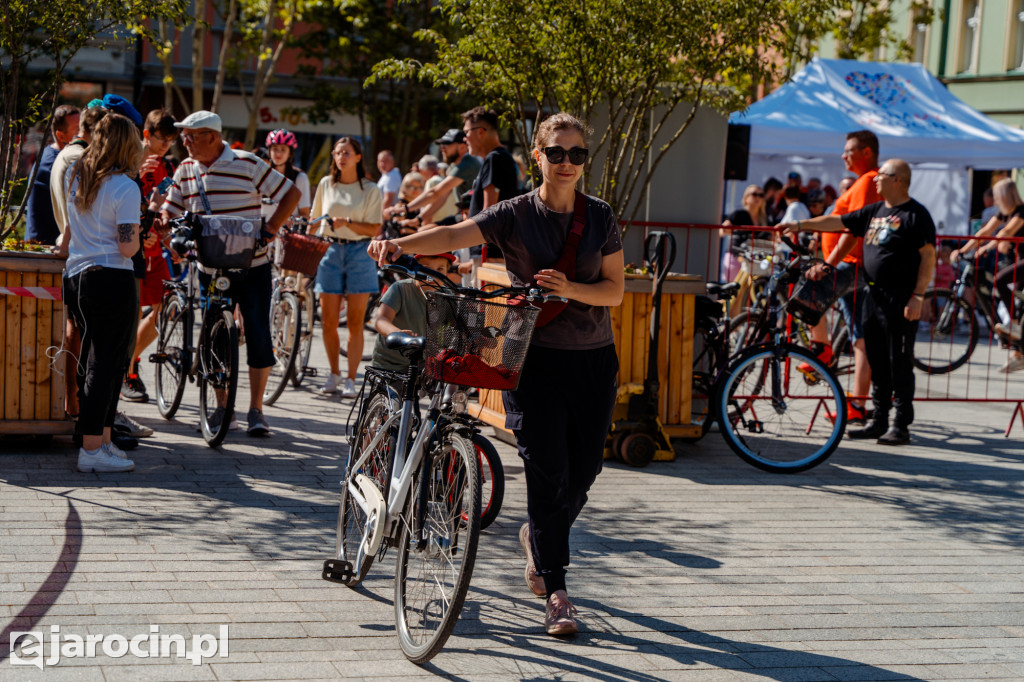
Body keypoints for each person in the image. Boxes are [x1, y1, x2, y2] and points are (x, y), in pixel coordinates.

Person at [369, 112, 624, 637]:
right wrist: (400, 244)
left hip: (594, 358)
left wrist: (571, 290)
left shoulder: (599, 216)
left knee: (586, 469)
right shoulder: (514, 213)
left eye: (577, 154)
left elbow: (615, 290)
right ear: (538, 156)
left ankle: (538, 537)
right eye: (557, 153)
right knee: (547, 469)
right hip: (530, 357)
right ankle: (556, 590)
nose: (568, 163)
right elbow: (452, 233)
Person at [161, 110, 301, 436]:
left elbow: (291, 193)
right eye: (184, 136)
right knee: (215, 338)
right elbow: (171, 210)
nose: (184, 141)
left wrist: (271, 227)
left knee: (257, 334)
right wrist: (166, 229)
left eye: (190, 136)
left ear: (212, 136)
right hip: (209, 266)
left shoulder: (248, 162)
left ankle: (256, 410)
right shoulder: (185, 169)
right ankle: (223, 408)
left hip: (253, 265)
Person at [781, 159, 937, 446]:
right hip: (872, 294)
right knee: (876, 358)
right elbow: (839, 222)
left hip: (900, 296)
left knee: (898, 360)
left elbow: (928, 257)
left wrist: (918, 296)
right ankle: (878, 420)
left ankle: (901, 424)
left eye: (881, 176)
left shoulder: (916, 215)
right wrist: (800, 223)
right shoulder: (875, 211)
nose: (875, 179)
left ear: (898, 180)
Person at [62, 113, 144, 473]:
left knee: (100, 364)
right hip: (112, 276)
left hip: (79, 275)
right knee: (105, 365)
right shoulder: (126, 187)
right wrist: (142, 234)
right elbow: (127, 248)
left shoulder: (75, 176)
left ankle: (103, 442)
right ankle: (92, 448)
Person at [801, 131, 882, 424]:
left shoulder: (867, 180)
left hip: (853, 263)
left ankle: (822, 351)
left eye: (849, 150)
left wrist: (828, 264)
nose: (843, 155)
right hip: (855, 264)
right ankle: (857, 406)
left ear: (866, 152)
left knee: (807, 293)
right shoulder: (865, 181)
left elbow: (854, 227)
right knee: (860, 338)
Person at [310, 136, 383, 398]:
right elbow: (314, 220)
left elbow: (374, 228)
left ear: (358, 157)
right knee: (328, 320)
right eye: (338, 153)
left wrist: (348, 222)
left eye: (347, 153)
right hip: (329, 250)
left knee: (354, 321)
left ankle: (352, 378)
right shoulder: (326, 184)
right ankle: (334, 373)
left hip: (360, 252)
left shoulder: (371, 189)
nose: (341, 157)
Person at [121, 109, 179, 404]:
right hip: (133, 251)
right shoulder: (131, 161)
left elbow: (165, 210)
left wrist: (169, 241)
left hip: (155, 252)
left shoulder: (167, 168)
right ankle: (126, 371)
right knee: (130, 316)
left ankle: (128, 363)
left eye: (171, 139)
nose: (167, 143)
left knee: (166, 310)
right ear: (146, 135)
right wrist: (138, 173)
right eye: (161, 138)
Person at [952, 178, 1024, 372]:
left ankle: (1015, 326)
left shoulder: (1021, 212)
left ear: (1005, 195)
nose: (995, 200)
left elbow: (1007, 232)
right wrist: (964, 250)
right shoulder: (1004, 213)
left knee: (1000, 281)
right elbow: (986, 231)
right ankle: (1018, 353)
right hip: (1020, 260)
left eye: (998, 196)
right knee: (1017, 301)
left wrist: (987, 248)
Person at [370, 253, 456, 371]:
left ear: (447, 272)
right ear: (414, 269)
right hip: (390, 364)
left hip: (425, 364)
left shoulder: (447, 296)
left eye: (440, 269)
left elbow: (457, 324)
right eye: (426, 269)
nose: (432, 275)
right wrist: (397, 333)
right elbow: (381, 320)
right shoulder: (401, 289)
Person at [385, 129, 480, 229]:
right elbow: (441, 198)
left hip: (476, 219)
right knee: (423, 233)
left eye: (447, 145)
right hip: (464, 215)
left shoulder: (467, 164)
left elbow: (435, 192)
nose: (442, 149)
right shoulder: (454, 166)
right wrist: (419, 219)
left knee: (425, 235)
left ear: (462, 147)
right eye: (442, 145)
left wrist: (405, 208)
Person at [26, 105, 81, 245]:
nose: (82, 134)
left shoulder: (55, 155)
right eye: (77, 130)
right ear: (60, 135)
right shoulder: (55, 163)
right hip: (44, 249)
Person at [262, 129, 312, 223]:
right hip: (260, 231)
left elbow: (305, 214)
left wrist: (289, 221)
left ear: (290, 153)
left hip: (285, 234)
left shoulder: (300, 177)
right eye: (275, 148)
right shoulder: (261, 174)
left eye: (283, 149)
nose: (278, 153)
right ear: (269, 151)